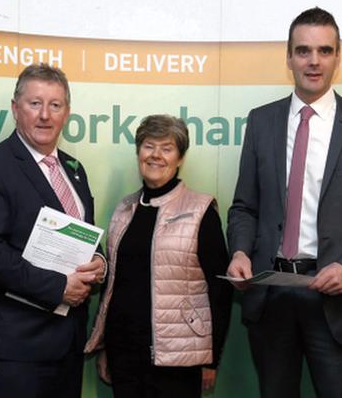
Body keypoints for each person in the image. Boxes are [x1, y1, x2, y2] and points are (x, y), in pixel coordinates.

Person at [226, 7, 342, 397]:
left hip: (336, 302)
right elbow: (244, 207)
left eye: (324, 50)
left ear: (338, 56)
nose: (314, 61)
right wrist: (239, 251)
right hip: (270, 297)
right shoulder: (261, 122)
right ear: (288, 57)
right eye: (303, 50)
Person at [0, 63, 105, 398]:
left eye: (55, 105)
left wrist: (100, 263)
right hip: (15, 350)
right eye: (34, 103)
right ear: (16, 109)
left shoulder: (75, 170)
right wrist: (58, 287)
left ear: (67, 113)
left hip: (67, 346)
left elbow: (83, 237)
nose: (45, 115)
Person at [85, 114, 233, 398]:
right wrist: (104, 346)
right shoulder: (124, 208)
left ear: (180, 158)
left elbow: (220, 291)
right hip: (124, 355)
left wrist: (211, 359)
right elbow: (113, 286)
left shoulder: (201, 211)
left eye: (167, 148)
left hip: (179, 361)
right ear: (138, 152)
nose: (156, 155)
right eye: (148, 146)